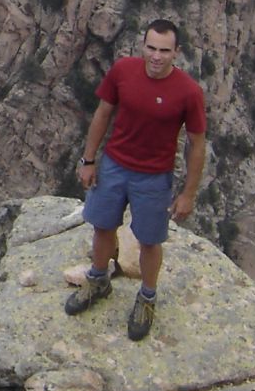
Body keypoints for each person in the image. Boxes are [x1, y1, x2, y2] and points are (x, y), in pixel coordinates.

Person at [64, 19, 207, 341]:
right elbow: (102, 114)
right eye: (151, 48)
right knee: (102, 225)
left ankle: (147, 298)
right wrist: (88, 160)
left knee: (149, 240)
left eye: (164, 50)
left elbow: (197, 145)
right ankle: (98, 281)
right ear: (143, 45)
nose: (156, 56)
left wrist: (188, 194)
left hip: (154, 177)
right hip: (114, 165)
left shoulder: (188, 92)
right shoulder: (123, 71)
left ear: (177, 52)